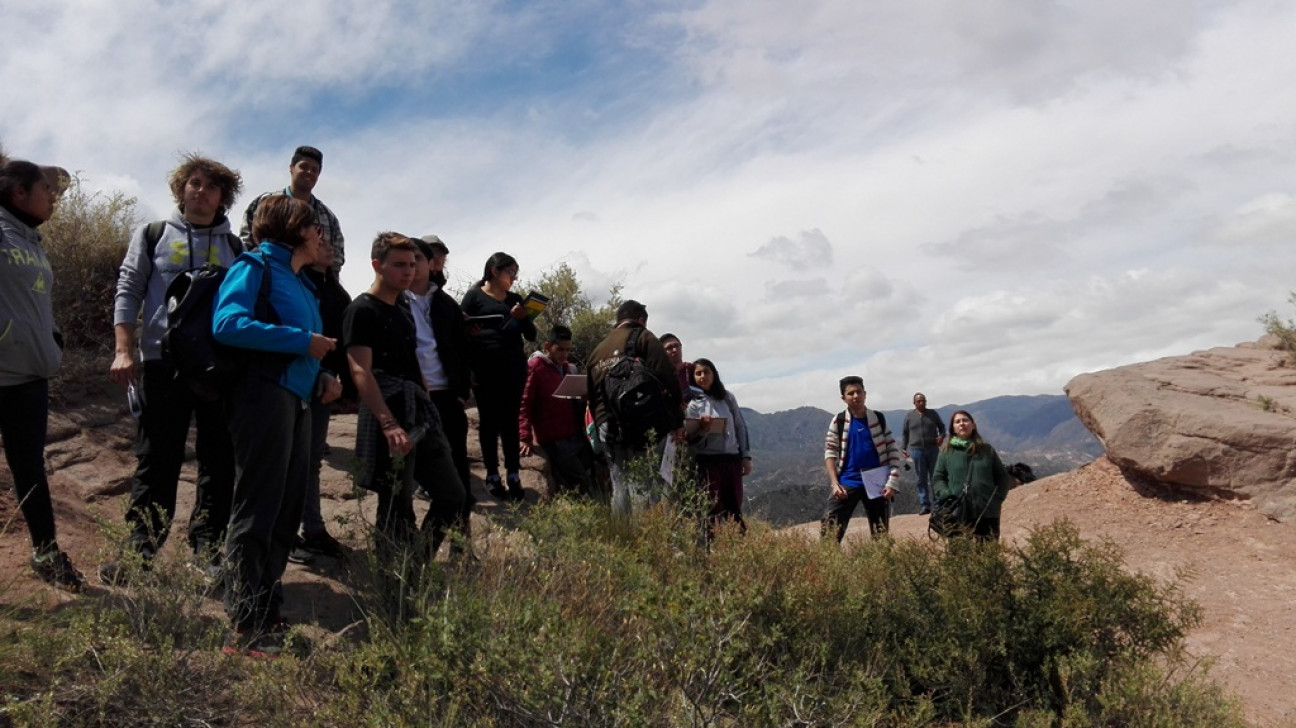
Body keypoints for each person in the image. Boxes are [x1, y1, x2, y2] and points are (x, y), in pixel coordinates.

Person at [103, 154, 244, 585]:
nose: (200, 192)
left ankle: (208, 551)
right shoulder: (152, 235)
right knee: (156, 459)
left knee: (218, 462)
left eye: (211, 186)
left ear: (223, 197)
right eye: (194, 183)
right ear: (182, 188)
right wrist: (123, 349)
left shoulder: (235, 247)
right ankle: (140, 551)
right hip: (162, 365)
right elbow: (128, 290)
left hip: (216, 368)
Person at [213, 195, 338, 647]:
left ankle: (268, 608)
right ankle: (246, 623)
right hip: (262, 396)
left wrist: (322, 374)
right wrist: (302, 341)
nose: (321, 235)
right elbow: (227, 324)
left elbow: (303, 346)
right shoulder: (255, 266)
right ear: (296, 230)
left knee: (286, 509)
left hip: (299, 399)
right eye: (314, 227)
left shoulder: (304, 283)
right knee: (259, 506)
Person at [345, 233, 465, 557]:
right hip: (389, 411)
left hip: (419, 413)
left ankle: (417, 563)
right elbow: (360, 370)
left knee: (452, 495)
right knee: (396, 503)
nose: (408, 271)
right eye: (399, 264)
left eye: (412, 264)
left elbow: (413, 360)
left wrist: (426, 402)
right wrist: (387, 423)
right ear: (377, 265)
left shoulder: (402, 309)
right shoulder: (361, 310)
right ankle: (395, 586)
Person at [0, 159, 84, 591]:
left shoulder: (33, 241)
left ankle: (46, 553)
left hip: (29, 378)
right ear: (18, 192)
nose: (53, 198)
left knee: (30, 468)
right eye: (46, 190)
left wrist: (51, 339)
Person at [287, 227, 352, 565]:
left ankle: (311, 529)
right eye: (321, 242)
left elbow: (343, 344)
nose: (328, 247)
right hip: (293, 380)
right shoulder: (296, 281)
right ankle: (289, 533)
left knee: (310, 460)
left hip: (324, 384)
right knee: (287, 460)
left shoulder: (336, 292)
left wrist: (342, 383)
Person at [587, 300, 683, 518]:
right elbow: (666, 374)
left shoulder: (597, 350)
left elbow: (591, 396)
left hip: (606, 423)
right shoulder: (643, 337)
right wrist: (677, 417)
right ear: (641, 319)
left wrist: (600, 423)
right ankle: (646, 538)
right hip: (641, 420)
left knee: (619, 483)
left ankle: (622, 536)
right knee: (645, 483)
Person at [406, 235, 474, 541]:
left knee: (458, 480)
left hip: (446, 399)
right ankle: (404, 555)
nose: (414, 266)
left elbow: (461, 348)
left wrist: (460, 390)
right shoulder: (389, 301)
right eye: (406, 261)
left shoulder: (446, 304)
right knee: (401, 482)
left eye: (419, 259)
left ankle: (459, 544)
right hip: (407, 400)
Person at [460, 252, 536, 501]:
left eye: (516, 272)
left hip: (513, 367)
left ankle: (513, 473)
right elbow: (459, 330)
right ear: (494, 271)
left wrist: (524, 319)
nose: (514, 277)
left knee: (510, 422)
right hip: (484, 368)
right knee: (489, 422)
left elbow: (531, 335)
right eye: (510, 272)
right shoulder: (473, 295)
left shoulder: (515, 299)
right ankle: (492, 474)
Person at [821, 376, 902, 543]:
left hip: (877, 484)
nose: (855, 396)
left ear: (865, 394)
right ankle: (827, 567)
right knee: (829, 532)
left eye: (859, 392)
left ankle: (881, 567)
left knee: (880, 535)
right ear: (843, 398)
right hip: (847, 482)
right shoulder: (839, 421)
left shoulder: (878, 419)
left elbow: (892, 450)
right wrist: (835, 483)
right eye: (850, 393)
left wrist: (892, 482)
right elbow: (830, 452)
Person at [240, 145, 344, 272]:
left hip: (313, 289)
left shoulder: (327, 217)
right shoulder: (265, 204)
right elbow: (245, 244)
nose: (309, 172)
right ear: (291, 168)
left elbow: (337, 259)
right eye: (304, 167)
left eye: (314, 170)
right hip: (266, 279)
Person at [519, 325, 595, 498]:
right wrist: (525, 437)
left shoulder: (568, 368)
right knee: (580, 482)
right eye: (560, 349)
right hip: (554, 438)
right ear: (547, 346)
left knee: (588, 472)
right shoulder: (536, 366)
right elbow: (524, 403)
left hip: (575, 433)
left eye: (567, 350)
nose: (564, 354)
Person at [684, 358, 752, 537]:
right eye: (698, 373)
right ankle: (710, 546)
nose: (702, 376)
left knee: (734, 506)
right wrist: (704, 430)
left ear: (714, 374)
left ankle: (738, 546)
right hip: (707, 461)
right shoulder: (693, 404)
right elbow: (691, 439)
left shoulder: (727, 398)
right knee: (710, 507)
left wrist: (745, 456)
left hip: (731, 458)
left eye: (706, 372)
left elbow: (740, 426)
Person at [931, 410, 1011, 541]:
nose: (962, 424)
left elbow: (1003, 477)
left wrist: (997, 499)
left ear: (973, 425)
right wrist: (946, 494)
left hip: (987, 512)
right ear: (953, 429)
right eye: (957, 422)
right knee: (959, 555)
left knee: (988, 555)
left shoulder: (986, 450)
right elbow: (938, 478)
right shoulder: (946, 452)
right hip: (957, 513)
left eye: (965, 420)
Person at [901, 392, 946, 515]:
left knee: (935, 477)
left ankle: (938, 504)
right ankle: (925, 505)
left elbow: (942, 427)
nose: (922, 403)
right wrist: (903, 448)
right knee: (921, 479)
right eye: (919, 401)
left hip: (932, 449)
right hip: (916, 450)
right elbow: (905, 433)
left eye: (924, 400)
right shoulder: (909, 416)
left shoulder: (932, 414)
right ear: (914, 403)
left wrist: (941, 437)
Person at [659, 333, 692, 401]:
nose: (674, 350)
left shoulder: (693, 369)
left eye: (677, 346)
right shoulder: (660, 376)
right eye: (669, 348)